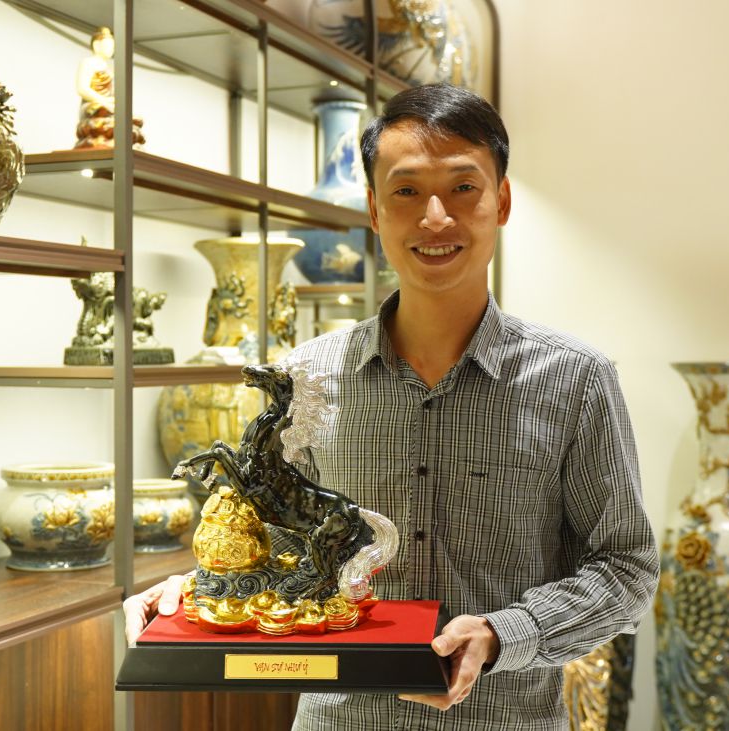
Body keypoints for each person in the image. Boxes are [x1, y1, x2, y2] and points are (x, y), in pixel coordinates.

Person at [124, 82, 659, 730]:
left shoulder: (575, 381)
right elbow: (273, 541)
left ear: (502, 201)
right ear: (374, 211)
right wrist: (195, 594)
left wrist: (501, 634)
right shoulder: (305, 377)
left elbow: (625, 566)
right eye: (406, 191)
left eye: (463, 187)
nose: (435, 217)